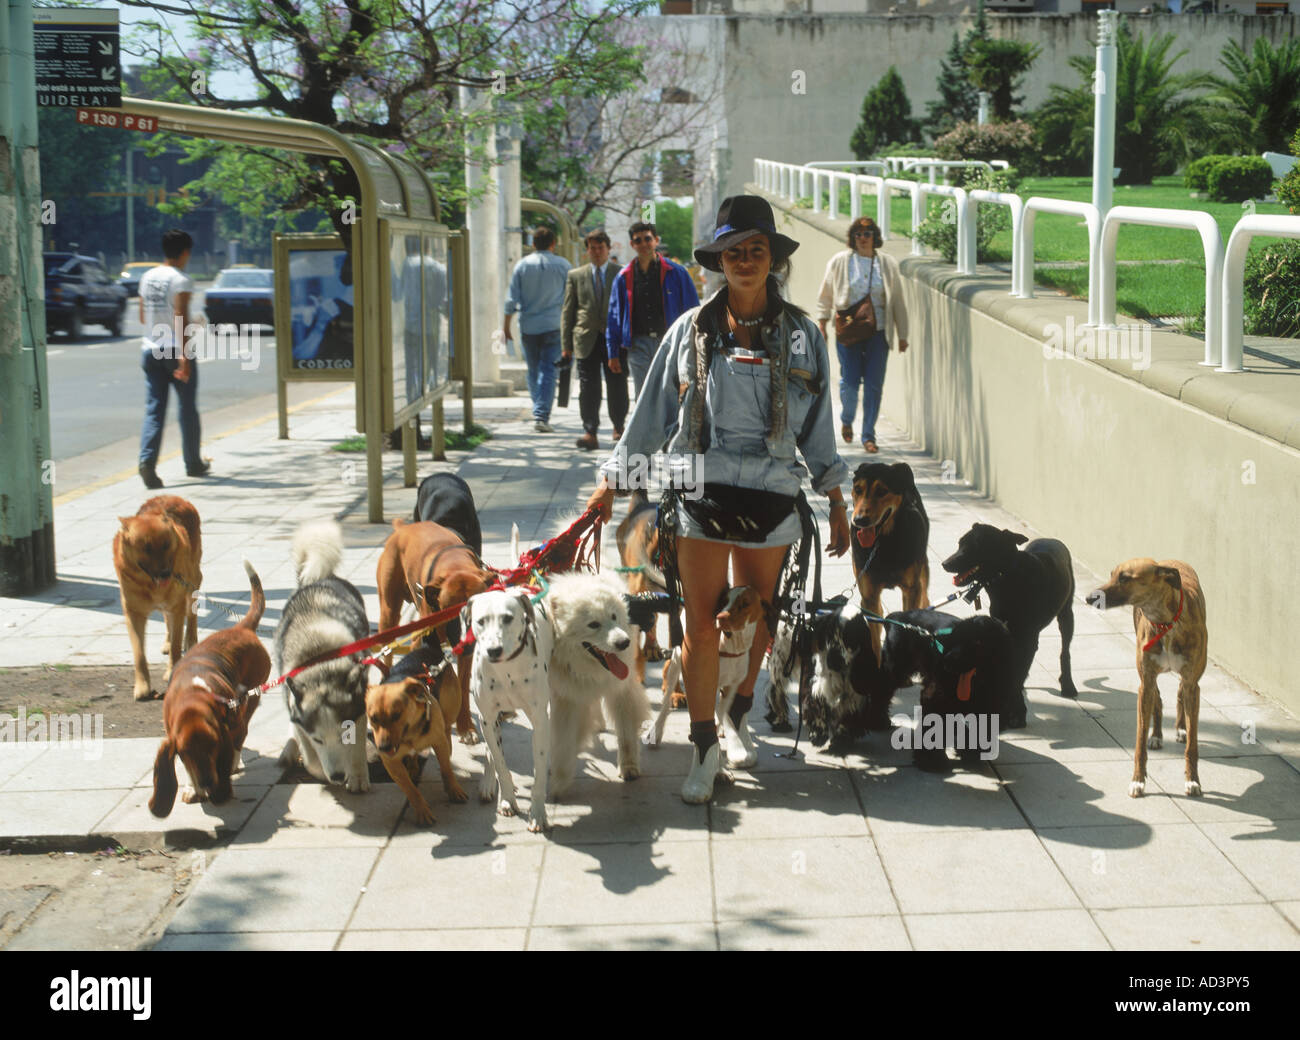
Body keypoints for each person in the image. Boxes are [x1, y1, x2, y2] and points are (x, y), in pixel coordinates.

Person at [586, 195, 850, 805]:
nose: (746, 262)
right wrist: (612, 483)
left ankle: (736, 714)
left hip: (771, 495)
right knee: (701, 629)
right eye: (735, 253)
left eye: (757, 250)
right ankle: (704, 748)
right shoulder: (690, 330)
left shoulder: (805, 338)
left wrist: (835, 497)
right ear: (720, 261)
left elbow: (819, 428)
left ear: (773, 260)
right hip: (699, 493)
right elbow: (651, 417)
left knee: (758, 621)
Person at [815, 215, 910, 454]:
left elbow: (897, 300)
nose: (863, 238)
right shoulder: (840, 261)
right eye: (858, 234)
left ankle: (869, 435)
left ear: (875, 237)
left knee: (874, 385)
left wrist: (903, 334)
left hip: (878, 333)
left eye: (867, 234)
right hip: (848, 331)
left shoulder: (887, 264)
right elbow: (826, 293)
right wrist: (822, 323)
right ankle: (847, 418)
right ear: (852, 238)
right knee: (849, 382)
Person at [138, 228, 208, 489]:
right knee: (187, 409)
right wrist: (185, 358)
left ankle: (147, 461)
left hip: (150, 350)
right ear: (186, 252)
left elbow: (143, 318)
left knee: (154, 410)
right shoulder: (181, 280)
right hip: (174, 350)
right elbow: (179, 317)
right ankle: (193, 463)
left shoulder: (147, 277)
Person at [605, 220, 700, 399]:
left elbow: (693, 312)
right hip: (638, 346)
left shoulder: (677, 273)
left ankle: (669, 428)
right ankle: (646, 428)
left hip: (670, 343)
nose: (643, 244)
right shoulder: (623, 277)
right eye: (638, 241)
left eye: (647, 239)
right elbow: (614, 317)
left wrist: (694, 345)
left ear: (656, 240)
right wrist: (613, 353)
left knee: (669, 395)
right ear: (632, 245)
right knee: (643, 397)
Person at [561, 230, 627, 451]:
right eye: (592, 248)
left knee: (617, 385)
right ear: (587, 250)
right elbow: (568, 311)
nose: (597, 252)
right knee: (588, 387)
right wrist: (566, 346)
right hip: (585, 339)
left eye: (601, 248)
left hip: (614, 340)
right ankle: (590, 431)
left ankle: (619, 426)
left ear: (608, 249)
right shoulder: (576, 275)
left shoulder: (621, 273)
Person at [504, 226, 572, 433]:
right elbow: (571, 298)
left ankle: (539, 410)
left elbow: (511, 299)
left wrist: (505, 326)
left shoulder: (522, 266)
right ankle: (542, 414)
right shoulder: (564, 266)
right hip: (554, 325)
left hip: (528, 326)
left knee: (533, 370)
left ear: (533, 244)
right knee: (549, 370)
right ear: (553, 244)